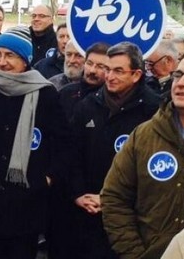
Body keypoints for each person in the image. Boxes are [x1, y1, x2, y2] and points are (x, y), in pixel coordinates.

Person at [102, 48, 184, 259]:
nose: (181, 83)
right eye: (178, 75)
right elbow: (114, 197)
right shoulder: (145, 134)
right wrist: (135, 254)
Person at [0, 28, 71, 259]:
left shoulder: (45, 95)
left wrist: (47, 178)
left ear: (26, 60)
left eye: (10, 55)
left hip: (25, 203)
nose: (2, 62)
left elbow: (63, 145)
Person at [69, 42, 160, 259]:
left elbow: (151, 168)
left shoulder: (153, 110)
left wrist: (110, 200)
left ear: (137, 74)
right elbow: (71, 154)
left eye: (118, 71)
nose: (109, 76)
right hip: (85, 211)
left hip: (128, 218)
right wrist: (77, 194)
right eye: (107, 69)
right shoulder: (88, 105)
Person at [58, 42, 110, 120]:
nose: (92, 70)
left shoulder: (112, 101)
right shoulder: (66, 93)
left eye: (100, 66)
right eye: (89, 63)